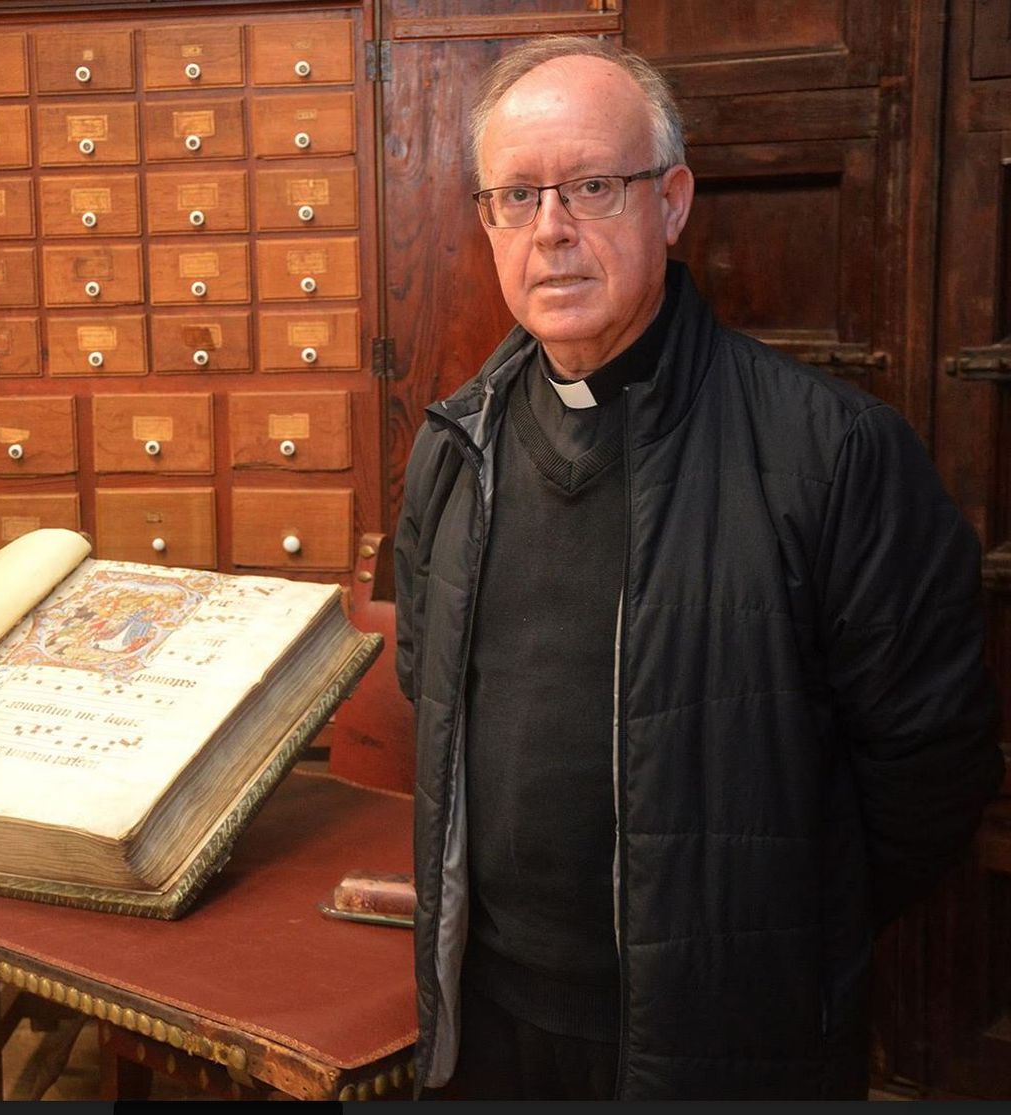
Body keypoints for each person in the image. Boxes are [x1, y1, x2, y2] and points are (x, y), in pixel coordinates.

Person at [393, 37, 1005, 1100]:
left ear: (671, 202)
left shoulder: (833, 453)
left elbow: (930, 770)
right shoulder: (456, 445)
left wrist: (777, 937)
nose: (552, 231)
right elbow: (426, 677)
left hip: (727, 1039)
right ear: (486, 221)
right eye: (516, 196)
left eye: (592, 186)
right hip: (484, 1021)